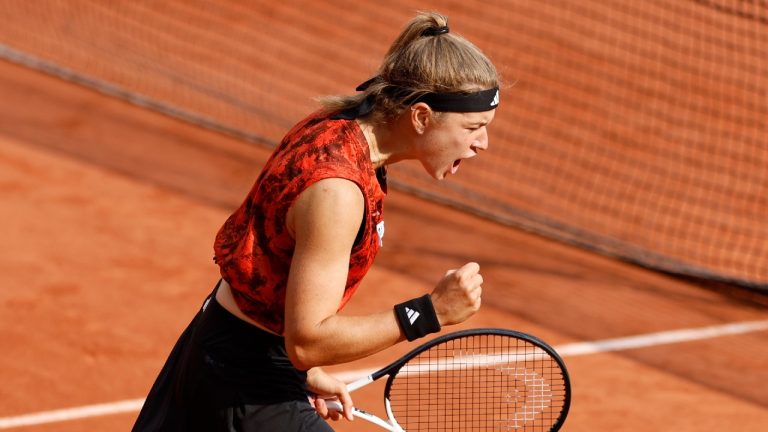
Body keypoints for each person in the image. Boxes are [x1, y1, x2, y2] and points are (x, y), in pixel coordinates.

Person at [133, 10, 500, 432]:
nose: (483, 143)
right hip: (242, 381)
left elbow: (278, 275)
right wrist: (430, 311)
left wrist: (301, 371)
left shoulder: (339, 130)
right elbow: (308, 340)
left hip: (226, 347)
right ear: (420, 117)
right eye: (474, 127)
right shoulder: (338, 191)